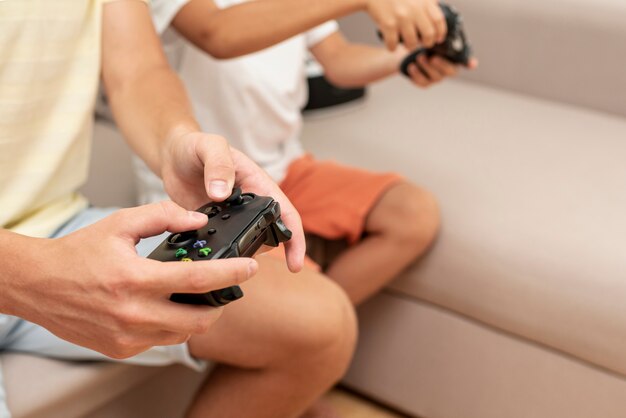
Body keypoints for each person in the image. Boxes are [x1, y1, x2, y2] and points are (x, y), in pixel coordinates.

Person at [0, 1, 358, 417]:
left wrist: (176, 141)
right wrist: (25, 275)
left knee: (320, 326)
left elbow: (136, 71)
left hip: (55, 224)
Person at [137, 0, 478, 305]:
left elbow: (340, 60)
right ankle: (318, 327)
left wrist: (406, 60)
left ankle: (319, 328)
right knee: (318, 306)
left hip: (286, 169)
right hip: (208, 193)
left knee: (413, 213)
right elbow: (217, 33)